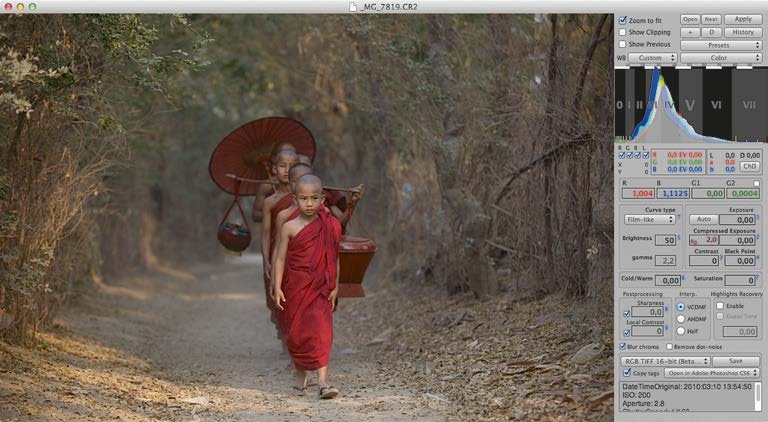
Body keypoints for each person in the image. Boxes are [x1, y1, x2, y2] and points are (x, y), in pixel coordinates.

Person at [272, 174, 342, 399]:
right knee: (298, 333)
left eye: (314, 198)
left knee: (322, 332)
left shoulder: (330, 225)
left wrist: (336, 285)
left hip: (321, 287)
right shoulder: (289, 227)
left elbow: (334, 256)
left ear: (323, 199)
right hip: (296, 287)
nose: (309, 204)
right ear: (295, 198)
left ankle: (323, 382)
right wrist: (277, 286)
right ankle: (300, 379)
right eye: (304, 198)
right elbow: (280, 259)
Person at [261, 149, 299, 328]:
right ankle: (285, 336)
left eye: (292, 166)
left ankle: (294, 337)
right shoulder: (270, 201)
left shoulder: (305, 199)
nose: (287, 170)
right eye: (283, 165)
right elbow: (267, 233)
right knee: (278, 295)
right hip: (277, 254)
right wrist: (266, 260)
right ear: (275, 169)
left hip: (297, 256)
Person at [252, 142, 297, 223]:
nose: (287, 156)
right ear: (274, 158)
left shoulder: (301, 185)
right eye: (283, 153)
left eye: (291, 154)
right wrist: (271, 213)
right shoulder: (266, 186)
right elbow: (255, 214)